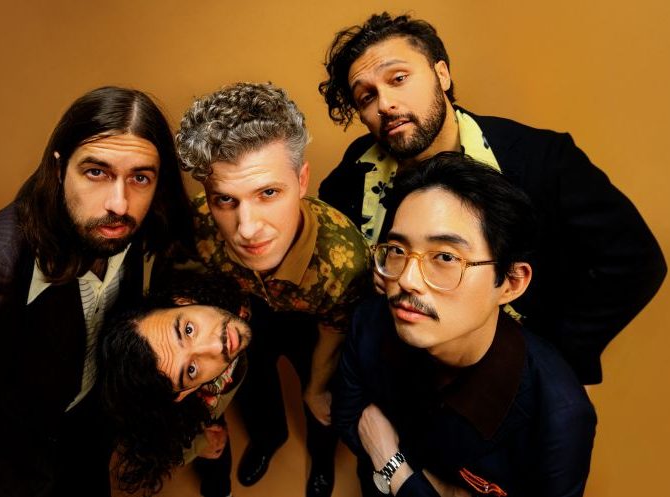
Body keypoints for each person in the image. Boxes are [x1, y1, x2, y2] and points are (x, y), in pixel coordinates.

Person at [318, 12, 666, 385]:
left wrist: (552, 357)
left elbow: (636, 261)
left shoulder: (542, 159)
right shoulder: (353, 174)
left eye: (399, 79)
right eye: (366, 96)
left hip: (507, 381)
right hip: (400, 379)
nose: (385, 103)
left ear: (441, 74)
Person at [0, 86, 193, 497]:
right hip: (20, 460)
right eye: (96, 172)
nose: (119, 202)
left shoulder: (124, 223)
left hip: (87, 429)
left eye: (140, 177)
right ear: (59, 169)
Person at [334, 152, 597, 497]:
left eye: (445, 257)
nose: (407, 280)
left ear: (510, 283)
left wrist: (394, 464)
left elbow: (374, 436)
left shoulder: (560, 416)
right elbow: (348, 416)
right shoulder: (372, 321)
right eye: (397, 250)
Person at [176, 82, 372, 497]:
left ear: (301, 181)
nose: (246, 229)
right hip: (247, 313)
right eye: (225, 200)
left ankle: (321, 464)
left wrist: (316, 387)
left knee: (322, 401)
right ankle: (268, 440)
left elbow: (335, 332)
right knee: (255, 385)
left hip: (315, 324)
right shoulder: (197, 224)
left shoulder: (345, 260)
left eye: (268, 193)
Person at [101, 271, 252, 497]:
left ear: (183, 301)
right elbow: (166, 444)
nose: (216, 346)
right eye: (190, 370)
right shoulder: (179, 414)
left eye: (188, 330)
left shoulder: (217, 282)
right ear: (186, 392)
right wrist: (199, 444)